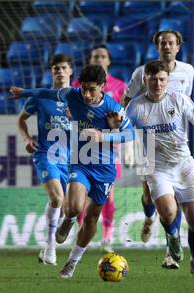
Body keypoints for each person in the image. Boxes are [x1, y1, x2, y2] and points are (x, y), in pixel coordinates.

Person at [10, 65, 135, 279]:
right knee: (74, 207)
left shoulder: (113, 108)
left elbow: (130, 134)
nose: (86, 94)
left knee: (91, 219)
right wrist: (25, 92)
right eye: (84, 88)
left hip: (105, 170)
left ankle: (72, 263)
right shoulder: (72, 94)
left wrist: (104, 136)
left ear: (103, 87)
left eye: (92, 90)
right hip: (80, 162)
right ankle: (68, 218)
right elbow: (47, 93)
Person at [121, 30, 194, 269]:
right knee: (158, 202)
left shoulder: (187, 72)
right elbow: (126, 102)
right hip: (149, 144)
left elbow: (188, 103)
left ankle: (183, 256)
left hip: (177, 145)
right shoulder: (140, 74)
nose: (166, 46)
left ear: (178, 46)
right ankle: (151, 219)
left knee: (191, 216)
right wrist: (121, 126)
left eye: (170, 43)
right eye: (162, 43)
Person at [15, 54, 73, 265]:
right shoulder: (40, 96)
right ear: (51, 72)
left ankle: (49, 245)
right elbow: (21, 120)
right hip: (45, 154)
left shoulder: (78, 97)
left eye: (63, 68)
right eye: (55, 68)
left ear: (70, 72)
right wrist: (27, 138)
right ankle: (50, 245)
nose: (59, 71)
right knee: (57, 198)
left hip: (71, 160)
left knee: (66, 207)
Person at [72, 44, 127, 253]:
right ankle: (80, 231)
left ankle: (107, 237)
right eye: (95, 56)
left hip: (108, 149)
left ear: (109, 61)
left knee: (107, 196)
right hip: (81, 148)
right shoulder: (79, 86)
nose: (99, 59)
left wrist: (116, 129)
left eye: (103, 56)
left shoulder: (119, 85)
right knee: (79, 195)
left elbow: (124, 116)